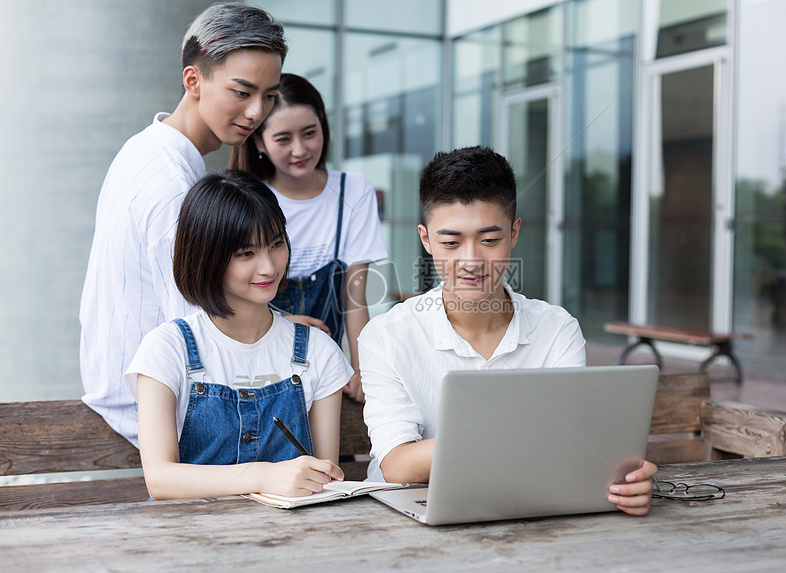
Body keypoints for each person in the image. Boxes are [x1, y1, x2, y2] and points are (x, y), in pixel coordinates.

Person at [359, 146, 658, 516]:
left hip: (528, 511)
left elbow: (569, 448)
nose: (470, 261)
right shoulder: (386, 336)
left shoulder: (557, 330)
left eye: (489, 240)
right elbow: (397, 465)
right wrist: (521, 434)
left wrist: (622, 481)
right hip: (407, 517)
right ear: (426, 240)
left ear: (514, 232)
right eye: (451, 243)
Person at [80, 3, 287, 446]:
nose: (256, 112)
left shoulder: (145, 147)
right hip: (158, 415)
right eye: (241, 91)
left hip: (136, 397)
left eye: (269, 95)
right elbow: (201, 324)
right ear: (194, 80)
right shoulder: (174, 187)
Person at [125, 171, 350, 500]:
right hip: (187, 539)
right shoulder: (168, 349)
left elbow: (324, 477)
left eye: (276, 245)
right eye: (246, 254)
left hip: (290, 540)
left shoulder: (317, 350)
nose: (269, 267)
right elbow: (160, 480)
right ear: (207, 258)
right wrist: (263, 476)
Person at [230, 74, 387, 403]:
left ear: (324, 128)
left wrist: (362, 373)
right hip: (250, 368)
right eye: (283, 138)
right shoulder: (243, 196)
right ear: (259, 142)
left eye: (309, 133)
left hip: (325, 371)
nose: (299, 149)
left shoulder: (353, 191)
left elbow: (355, 298)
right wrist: (281, 325)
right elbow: (227, 294)